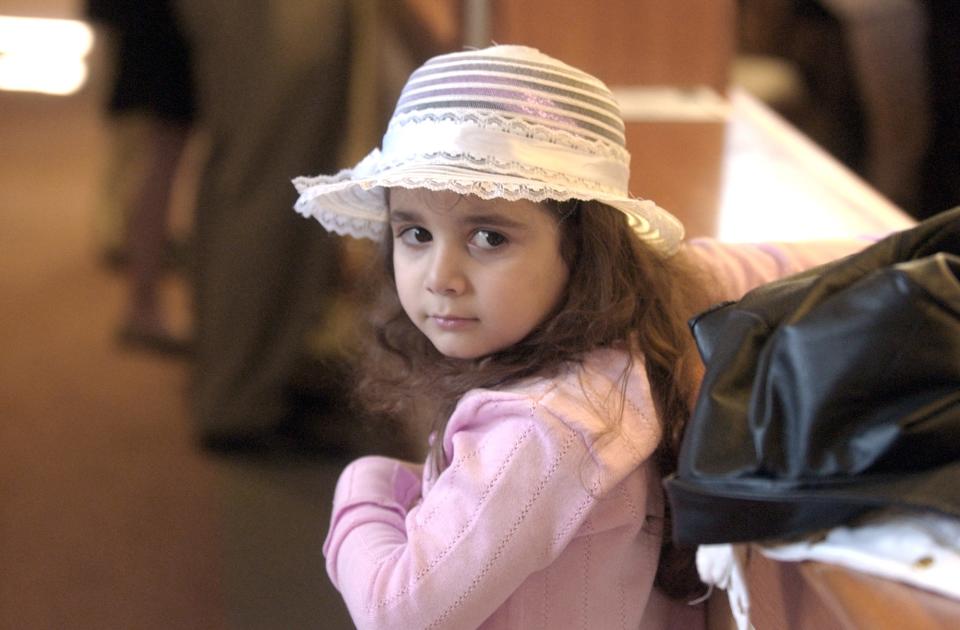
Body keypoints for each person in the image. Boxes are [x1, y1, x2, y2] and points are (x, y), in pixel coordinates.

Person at [293, 45, 870, 629]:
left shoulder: (537, 429)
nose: (440, 278)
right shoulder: (646, 313)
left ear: (581, 247)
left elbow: (396, 613)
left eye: (488, 238)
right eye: (415, 233)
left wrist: (367, 481)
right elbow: (795, 263)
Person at [85, 0, 196, 355]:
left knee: (151, 151)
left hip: (143, 18)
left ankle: (141, 293)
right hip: (159, 18)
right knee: (161, 153)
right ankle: (142, 304)